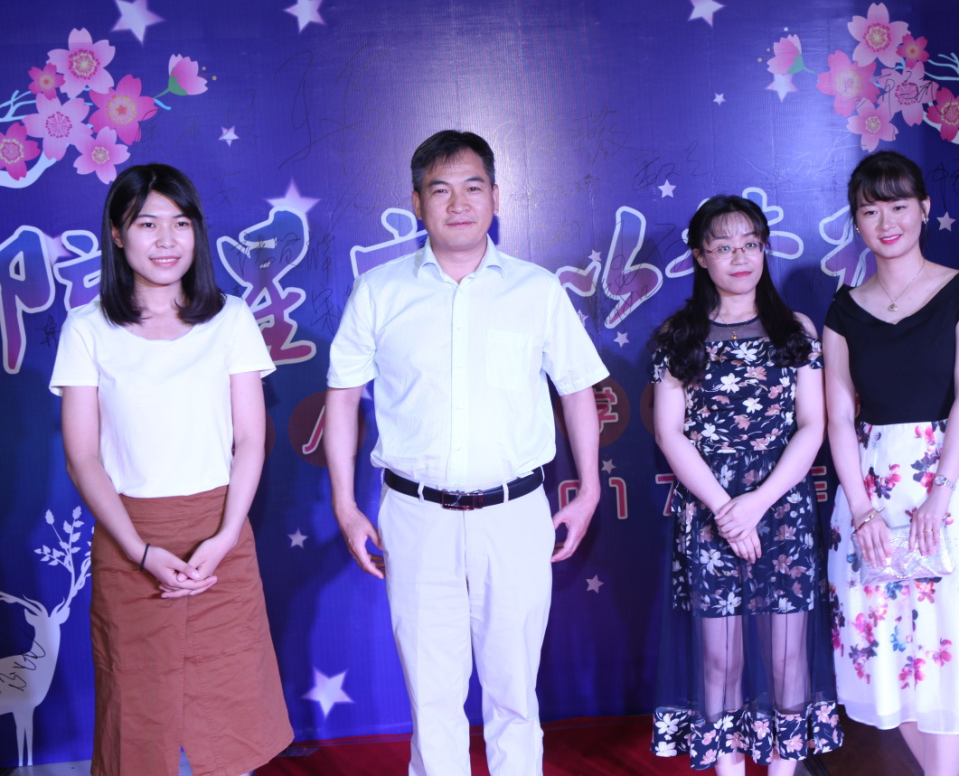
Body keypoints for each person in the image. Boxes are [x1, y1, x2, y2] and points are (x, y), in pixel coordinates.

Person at [324, 130, 609, 776]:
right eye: (441, 190)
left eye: (472, 187)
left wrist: (589, 488)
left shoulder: (536, 290)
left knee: (514, 694)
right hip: (415, 517)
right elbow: (342, 399)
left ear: (497, 198)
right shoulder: (379, 291)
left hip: (514, 516)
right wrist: (344, 503)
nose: (458, 204)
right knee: (432, 699)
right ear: (416, 203)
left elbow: (576, 390)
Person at [50, 163, 292, 776]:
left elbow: (250, 440)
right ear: (116, 233)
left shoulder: (230, 318)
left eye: (180, 223)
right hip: (130, 540)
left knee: (231, 718)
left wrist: (226, 536)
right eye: (147, 223)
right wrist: (139, 551)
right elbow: (82, 457)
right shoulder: (87, 328)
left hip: (220, 538)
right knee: (137, 721)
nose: (166, 240)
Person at [822, 151, 959, 776]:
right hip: (872, 487)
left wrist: (940, 494)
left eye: (898, 205)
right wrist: (861, 509)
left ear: (923, 208)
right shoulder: (844, 309)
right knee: (890, 648)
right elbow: (838, 417)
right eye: (870, 210)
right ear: (856, 222)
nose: (886, 221)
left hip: (955, 483)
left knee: (954, 643)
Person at [649, 195, 843, 774]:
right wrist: (725, 509)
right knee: (721, 661)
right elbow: (669, 432)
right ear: (700, 257)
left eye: (750, 245)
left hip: (781, 506)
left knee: (787, 659)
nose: (740, 258)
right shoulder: (678, 335)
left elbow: (813, 425)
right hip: (710, 512)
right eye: (724, 247)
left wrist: (758, 503)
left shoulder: (795, 330)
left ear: (764, 250)